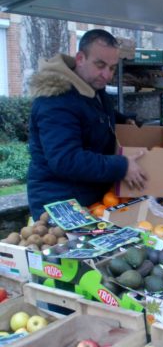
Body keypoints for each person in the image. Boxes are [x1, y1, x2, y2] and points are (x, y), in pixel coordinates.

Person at [27, 29, 147, 221]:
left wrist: (124, 121)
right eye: (100, 65)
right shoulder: (56, 101)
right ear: (80, 58)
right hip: (59, 204)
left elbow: (96, 116)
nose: (107, 75)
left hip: (93, 198)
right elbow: (66, 160)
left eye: (112, 68)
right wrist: (121, 166)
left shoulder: (92, 87)